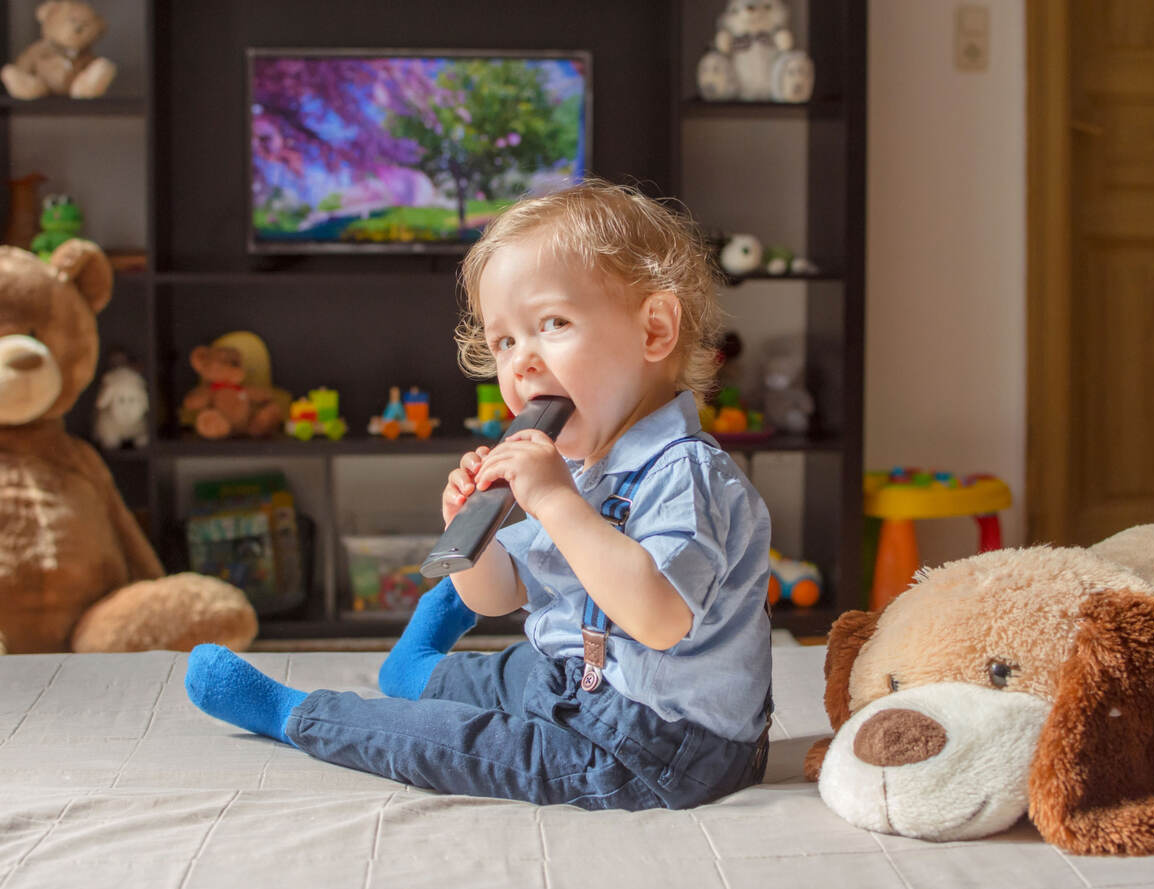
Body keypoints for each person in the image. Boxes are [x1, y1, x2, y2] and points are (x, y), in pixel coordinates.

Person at [185, 179, 773, 810]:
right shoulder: (578, 467)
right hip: (578, 682)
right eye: (505, 341)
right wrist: (478, 531)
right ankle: (415, 672)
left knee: (459, 742)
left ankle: (301, 716)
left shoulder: (686, 475)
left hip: (658, 747)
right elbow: (499, 595)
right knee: (506, 669)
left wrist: (552, 502)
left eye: (553, 323)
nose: (521, 361)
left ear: (654, 330)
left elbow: (658, 618)